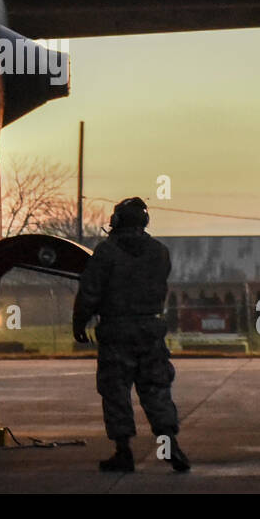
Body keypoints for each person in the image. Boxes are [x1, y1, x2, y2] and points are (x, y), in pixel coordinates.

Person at [73, 197, 190, 473]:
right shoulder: (159, 252)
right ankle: (169, 444)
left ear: (117, 221)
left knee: (116, 392)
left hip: (116, 332)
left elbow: (90, 291)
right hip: (150, 331)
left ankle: (123, 452)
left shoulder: (106, 252)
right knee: (156, 389)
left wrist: (79, 322)